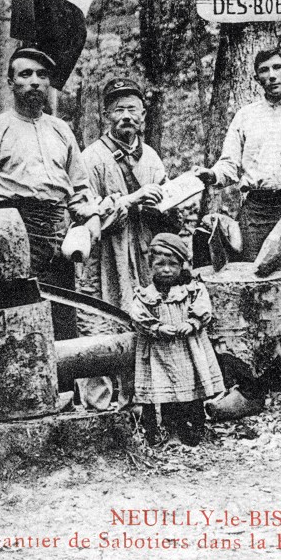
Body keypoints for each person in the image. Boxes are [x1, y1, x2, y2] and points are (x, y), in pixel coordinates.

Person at [0, 47, 101, 415]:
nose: (34, 82)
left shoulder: (62, 131)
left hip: (55, 238)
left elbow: (80, 192)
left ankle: (57, 404)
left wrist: (89, 221)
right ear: (11, 82)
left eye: (41, 75)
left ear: (50, 83)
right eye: (25, 74)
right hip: (8, 235)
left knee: (59, 318)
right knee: (2, 320)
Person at [192, 47, 281, 419]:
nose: (272, 75)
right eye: (264, 70)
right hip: (255, 208)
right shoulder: (246, 116)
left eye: (278, 68)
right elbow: (229, 164)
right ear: (257, 77)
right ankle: (252, 389)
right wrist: (213, 176)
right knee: (253, 295)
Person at [78, 78, 171, 408]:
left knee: (142, 321)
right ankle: (98, 407)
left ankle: (138, 403)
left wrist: (165, 205)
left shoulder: (151, 159)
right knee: (97, 325)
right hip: (104, 259)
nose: (127, 116)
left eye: (133, 109)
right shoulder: (91, 158)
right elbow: (85, 216)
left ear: (144, 116)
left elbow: (166, 205)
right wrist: (131, 200)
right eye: (119, 109)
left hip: (143, 254)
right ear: (106, 115)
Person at [128, 233, 226, 446]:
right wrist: (157, 327)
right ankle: (170, 433)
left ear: (182, 265)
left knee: (193, 392)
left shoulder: (191, 290)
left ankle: (197, 430)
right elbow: (137, 315)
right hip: (159, 353)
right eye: (160, 264)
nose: (166, 269)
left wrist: (192, 323)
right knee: (166, 394)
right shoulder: (146, 295)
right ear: (150, 266)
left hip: (188, 350)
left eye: (172, 264)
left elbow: (203, 307)